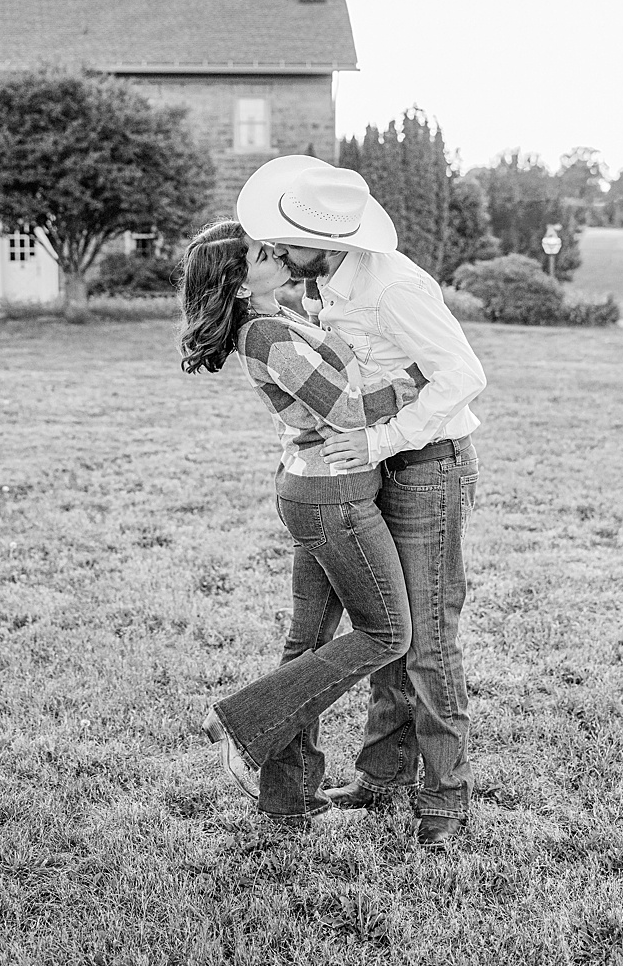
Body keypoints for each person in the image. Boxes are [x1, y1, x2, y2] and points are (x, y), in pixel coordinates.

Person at [237, 155, 486, 849]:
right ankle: (383, 777)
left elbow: (463, 376)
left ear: (332, 240)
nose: (277, 250)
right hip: (365, 465)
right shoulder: (318, 283)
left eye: (286, 240)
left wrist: (382, 440)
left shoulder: (396, 285)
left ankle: (446, 799)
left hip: (426, 462)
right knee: (390, 628)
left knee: (427, 640)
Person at [180, 219, 429, 831]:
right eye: (264, 253)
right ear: (241, 282)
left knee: (309, 643)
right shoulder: (263, 333)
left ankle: (286, 798)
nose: (279, 253)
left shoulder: (281, 317)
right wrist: (417, 381)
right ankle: (247, 719)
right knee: (388, 634)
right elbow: (342, 410)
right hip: (331, 496)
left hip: (317, 489)